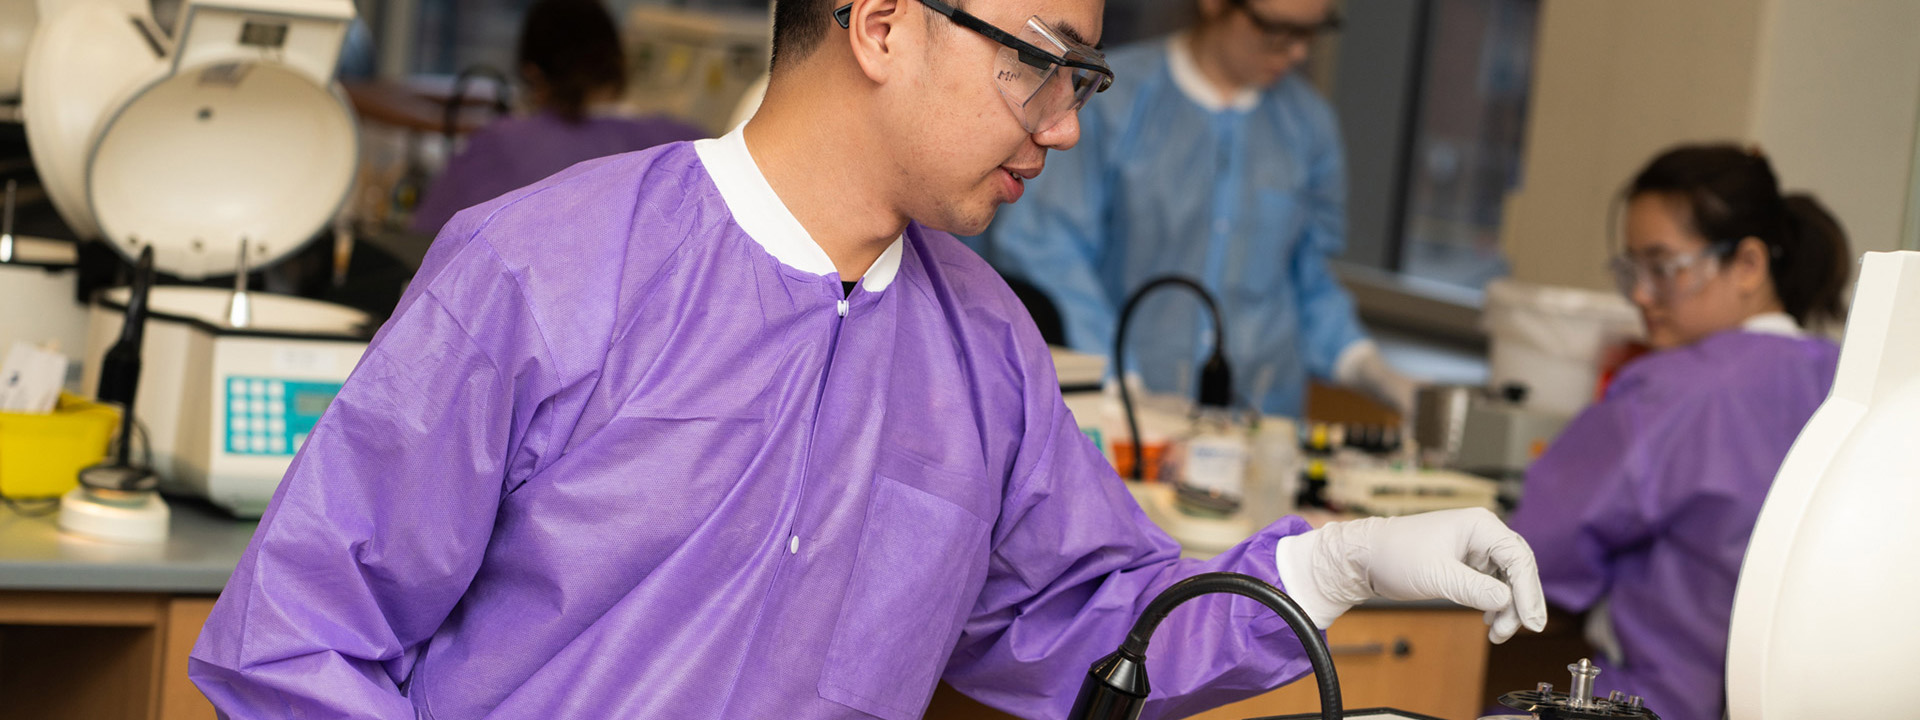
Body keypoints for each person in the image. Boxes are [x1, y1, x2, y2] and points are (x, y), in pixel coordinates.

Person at [189, 0, 1544, 717]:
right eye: (1042, 64)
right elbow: (300, 639)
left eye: (1087, 79)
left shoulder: (981, 347)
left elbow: (1085, 632)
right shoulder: (541, 271)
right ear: (886, 22)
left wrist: (1332, 567)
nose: (1065, 126)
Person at [1508, 144, 1851, 720]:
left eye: (1663, 268)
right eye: (1631, 270)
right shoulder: (1845, 381)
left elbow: (1535, 559)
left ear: (1747, 264)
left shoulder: (1671, 391)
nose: (1642, 294)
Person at [974, 0, 1415, 419]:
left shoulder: (1309, 128)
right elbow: (1048, 249)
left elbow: (1311, 280)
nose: (1298, 52)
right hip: (1129, 408)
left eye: (1312, 32)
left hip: (1261, 414)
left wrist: (1367, 365)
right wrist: (1117, 379)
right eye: (1277, 31)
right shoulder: (1114, 101)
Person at [409, 0, 706, 236]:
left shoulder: (502, 146)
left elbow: (427, 244)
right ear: (619, 62)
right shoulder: (690, 144)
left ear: (532, 74)